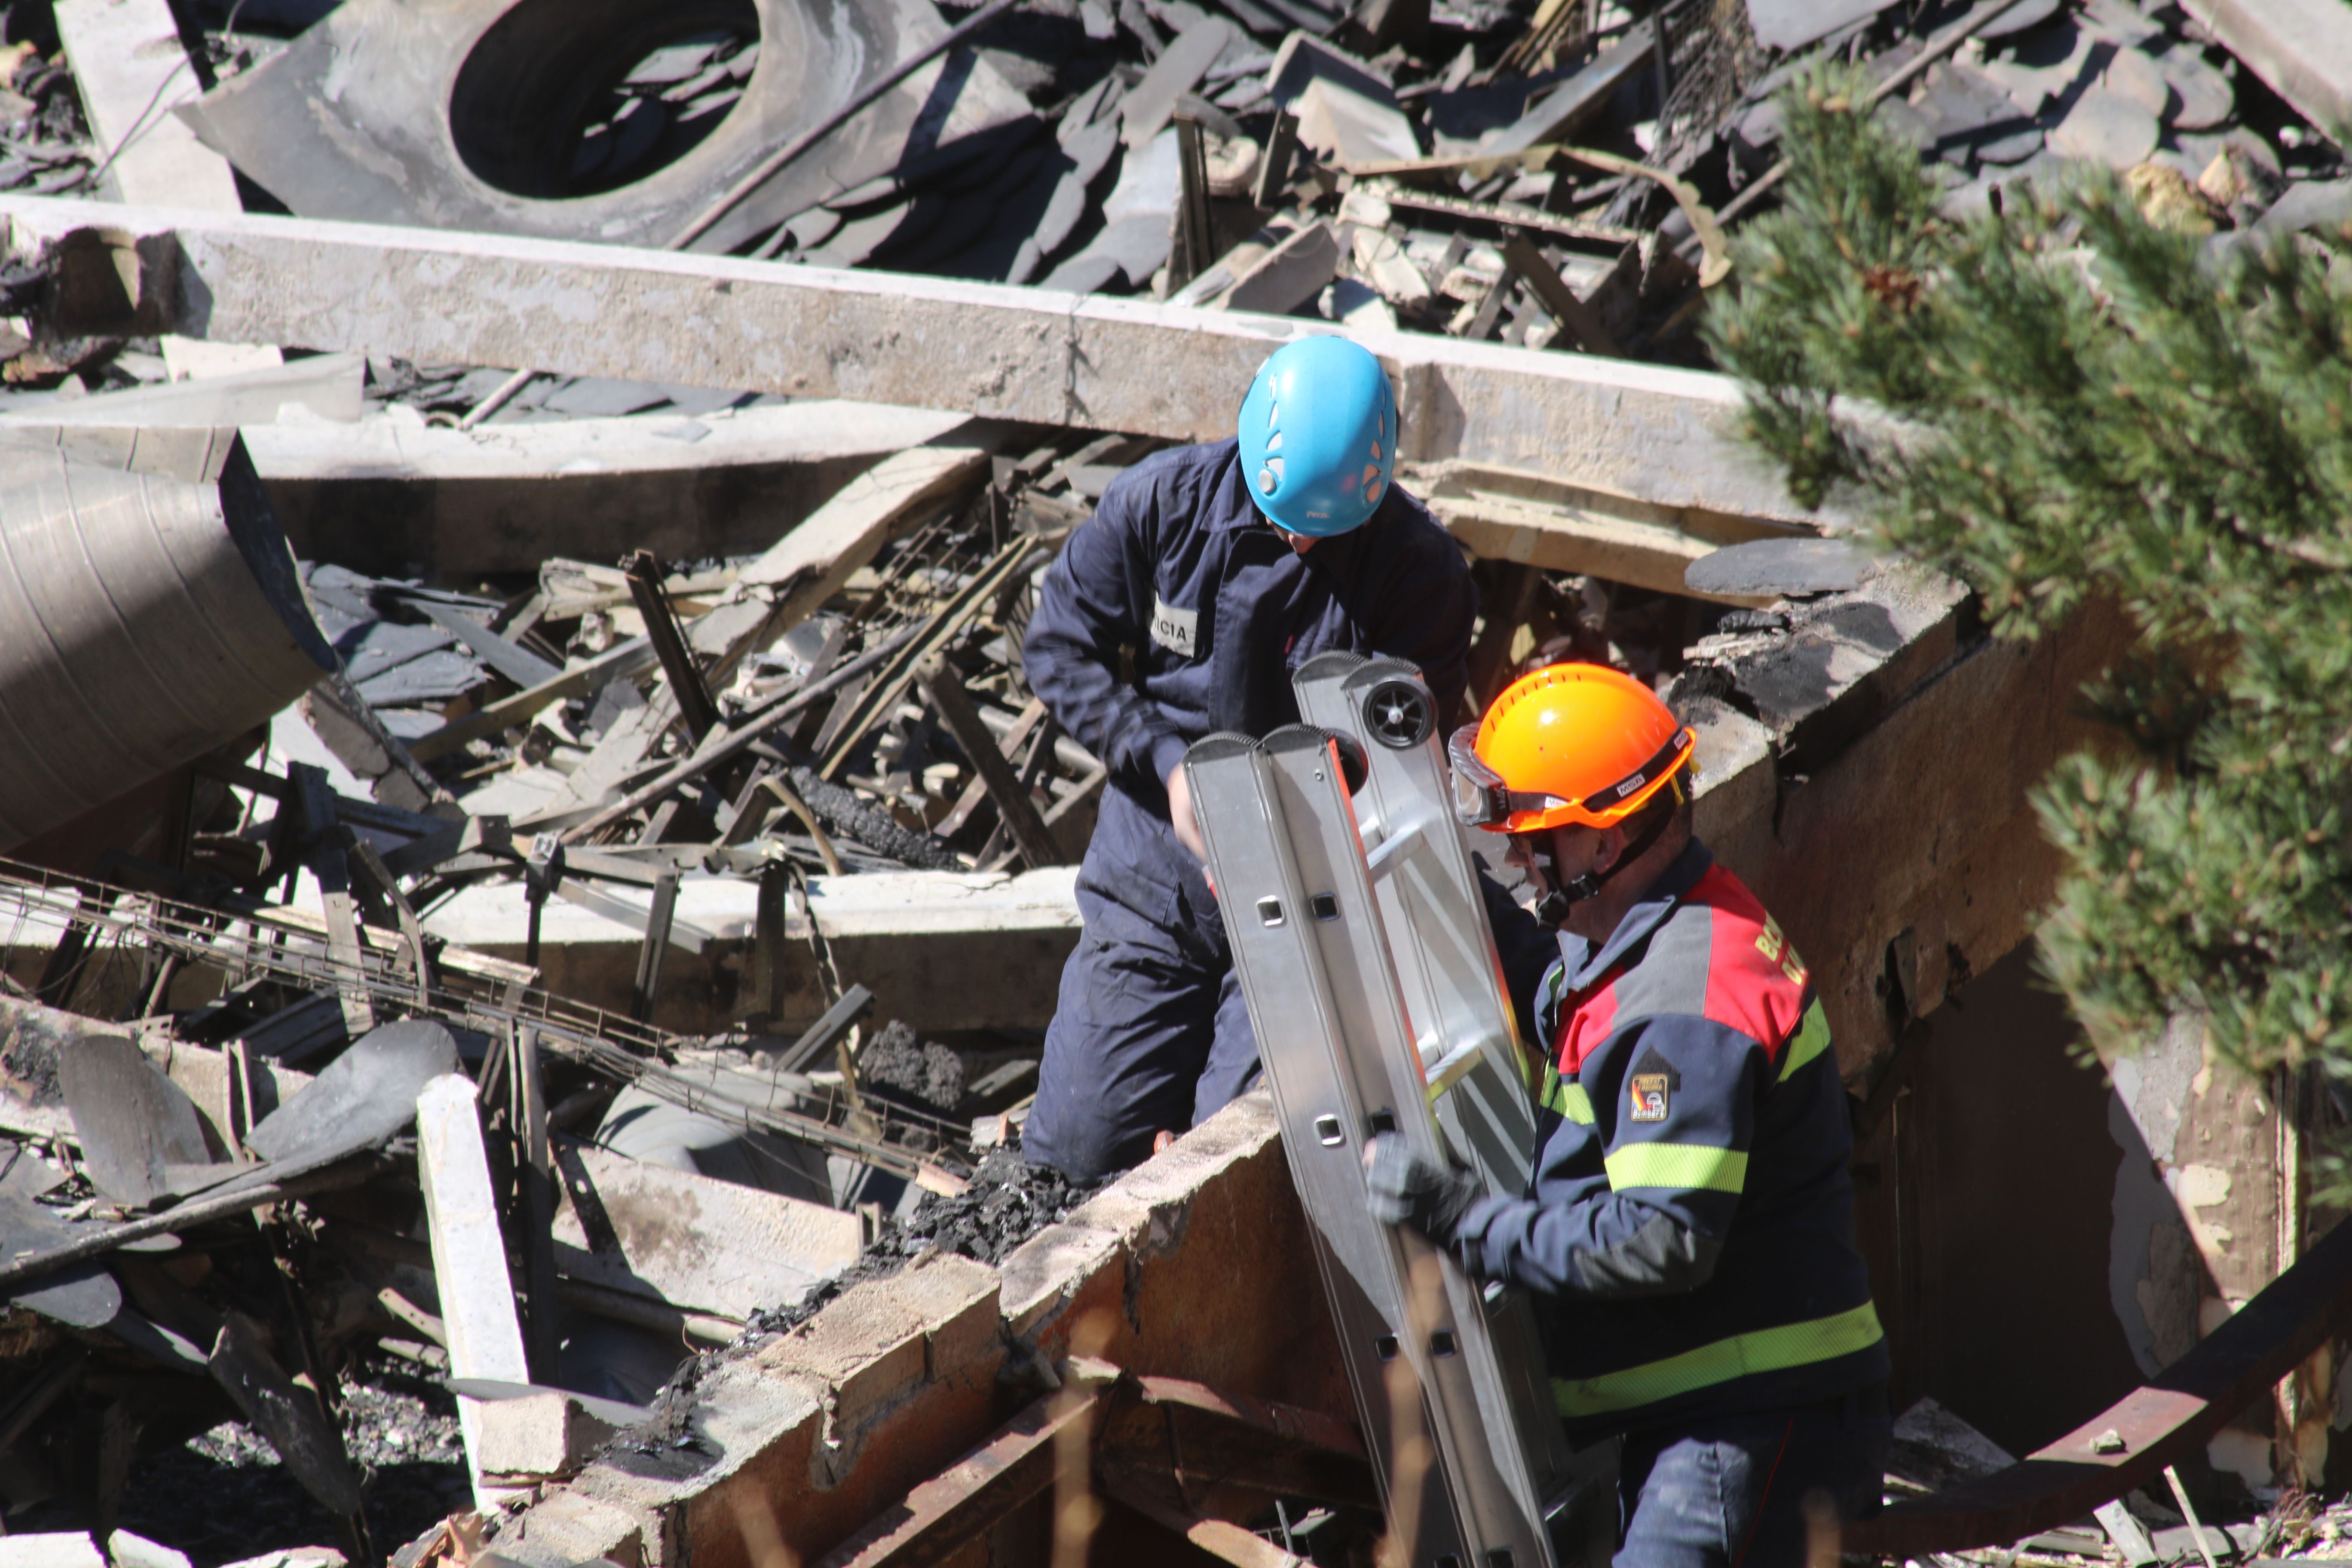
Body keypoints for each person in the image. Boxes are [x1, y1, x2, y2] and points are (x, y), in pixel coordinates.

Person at [1366, 662, 1890, 1568]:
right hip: (1731, 1409)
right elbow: (1556, 989)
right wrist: (1433, 876)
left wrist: (1465, 1222)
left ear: (1602, 847)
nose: (1523, 865)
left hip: (1755, 1422)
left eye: (1536, 844)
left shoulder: (1683, 998)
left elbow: (1660, 1238)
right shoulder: (1661, 931)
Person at [1020, 335, 1553, 1182]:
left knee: (1233, 1159)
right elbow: (1058, 649)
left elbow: (1399, 766)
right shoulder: (1162, 507)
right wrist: (1168, 766)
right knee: (1076, 1153)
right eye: (1283, 524)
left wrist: (1290, 827)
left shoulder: (1420, 575)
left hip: (1314, 892)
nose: (1299, 545)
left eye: (1322, 533)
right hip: (1158, 870)